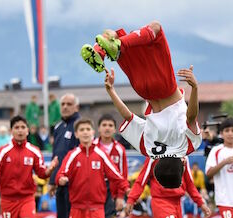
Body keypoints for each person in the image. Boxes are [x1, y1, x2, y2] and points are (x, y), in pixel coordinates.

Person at [84, 21, 202, 188]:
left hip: (165, 87)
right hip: (142, 90)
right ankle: (100, 52)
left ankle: (116, 46)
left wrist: (195, 88)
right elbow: (127, 116)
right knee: (115, 36)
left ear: (183, 166)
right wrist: (110, 90)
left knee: (155, 29)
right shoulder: (148, 150)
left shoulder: (188, 147)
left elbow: (191, 117)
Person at [55, 118, 129, 218]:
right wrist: (61, 179)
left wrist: (126, 188)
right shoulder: (72, 154)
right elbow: (62, 172)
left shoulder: (101, 154)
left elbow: (116, 175)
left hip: (97, 204)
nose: (85, 132)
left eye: (88, 129)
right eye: (82, 130)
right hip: (77, 206)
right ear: (77, 134)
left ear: (92, 132)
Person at [47, 93, 93, 218]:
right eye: (63, 104)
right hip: (60, 180)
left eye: (69, 104)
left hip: (75, 181)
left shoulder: (79, 126)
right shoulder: (58, 127)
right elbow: (56, 156)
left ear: (77, 107)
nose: (65, 107)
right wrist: (52, 180)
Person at [90, 114, 128, 218]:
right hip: (92, 192)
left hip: (110, 193)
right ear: (98, 128)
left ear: (114, 129)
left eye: (110, 125)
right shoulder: (91, 146)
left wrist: (120, 197)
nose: (107, 128)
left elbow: (122, 174)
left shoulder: (119, 150)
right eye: (104, 125)